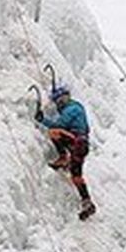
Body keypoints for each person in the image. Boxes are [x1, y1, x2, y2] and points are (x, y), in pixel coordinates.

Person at [36, 84, 96, 220]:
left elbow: (59, 125)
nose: (59, 104)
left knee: (54, 132)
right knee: (76, 175)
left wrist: (42, 120)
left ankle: (63, 157)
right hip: (81, 145)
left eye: (59, 101)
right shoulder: (77, 107)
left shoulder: (71, 109)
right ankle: (87, 202)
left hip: (76, 141)